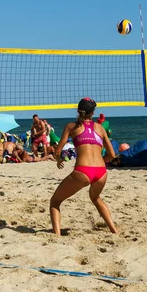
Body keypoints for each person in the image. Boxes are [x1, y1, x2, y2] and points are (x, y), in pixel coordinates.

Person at [50, 98, 118, 236]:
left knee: (55, 201)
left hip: (83, 171)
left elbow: (58, 151)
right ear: (93, 113)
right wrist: (100, 161)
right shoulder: (100, 128)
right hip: (101, 172)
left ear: (77, 110)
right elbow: (112, 155)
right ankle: (114, 230)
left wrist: (59, 160)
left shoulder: (71, 127)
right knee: (96, 198)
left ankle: (56, 235)